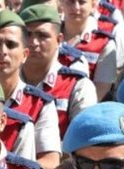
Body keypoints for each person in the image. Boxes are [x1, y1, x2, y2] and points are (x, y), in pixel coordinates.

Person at [0, 10, 60, 169]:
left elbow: (50, 162)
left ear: (25, 54)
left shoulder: (40, 104)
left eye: (11, 45)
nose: (2, 51)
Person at [19, 4, 96, 139]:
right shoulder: (4, 82)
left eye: (42, 36)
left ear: (59, 40)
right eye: (27, 35)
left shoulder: (78, 86)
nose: (33, 42)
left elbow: (83, 140)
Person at [59, 0, 117, 99]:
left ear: (93, 5)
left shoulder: (103, 43)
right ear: (61, 4)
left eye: (82, 2)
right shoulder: (47, 37)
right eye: (70, 2)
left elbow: (101, 89)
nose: (76, 7)